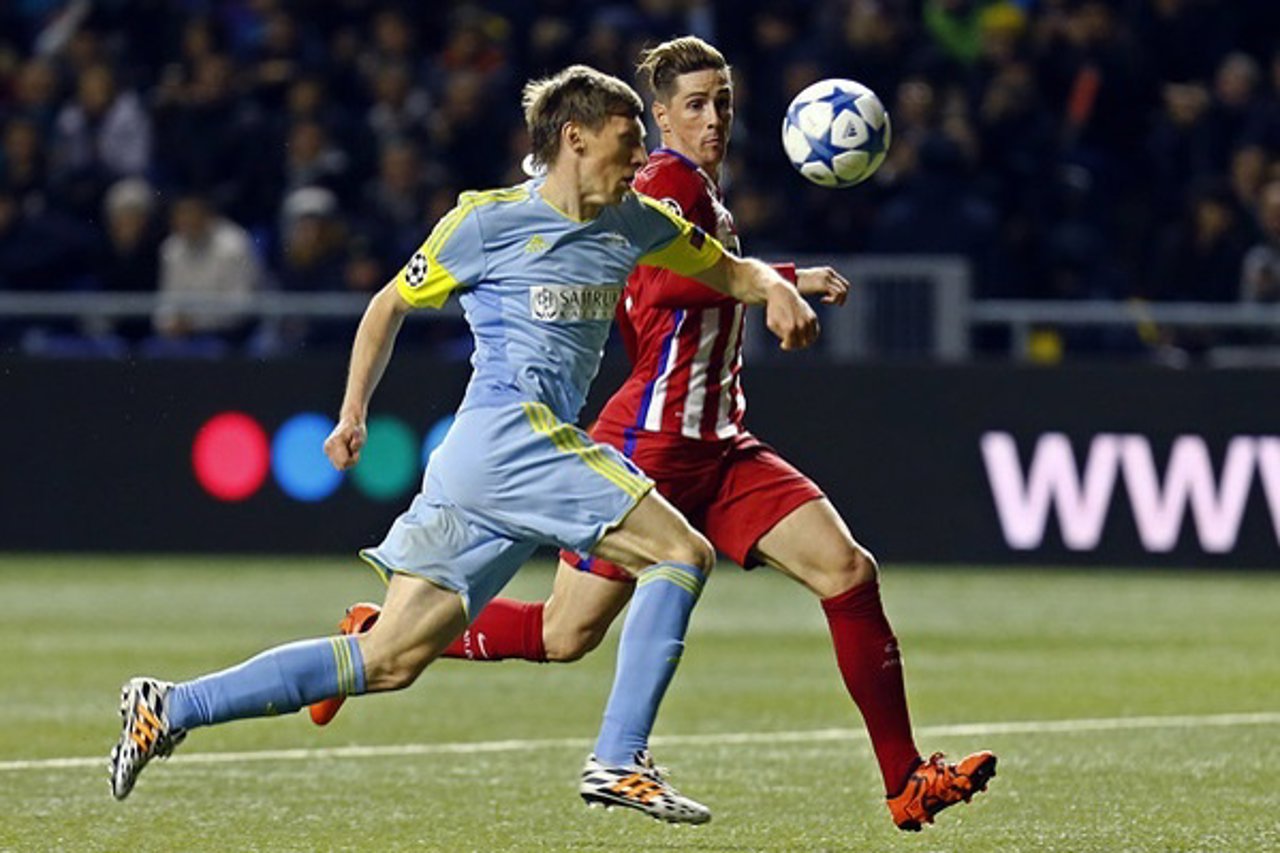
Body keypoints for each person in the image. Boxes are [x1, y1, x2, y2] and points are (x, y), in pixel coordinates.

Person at [312, 36, 997, 832]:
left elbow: (714, 265)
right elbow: (664, 277)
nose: (714, 119)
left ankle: (906, 778)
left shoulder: (700, 188)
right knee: (565, 634)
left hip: (723, 441)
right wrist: (770, 285)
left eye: (725, 103)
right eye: (697, 105)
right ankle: (378, 634)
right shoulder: (661, 181)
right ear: (661, 115)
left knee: (847, 569)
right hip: (650, 440)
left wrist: (777, 276)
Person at [108, 64, 820, 824]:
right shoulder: (486, 224)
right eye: (628, 141)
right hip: (511, 437)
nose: (640, 158)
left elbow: (729, 270)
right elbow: (387, 306)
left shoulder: (635, 220)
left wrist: (782, 286)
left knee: (388, 659)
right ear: (574, 139)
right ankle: (620, 757)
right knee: (683, 554)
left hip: (489, 466)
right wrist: (352, 412)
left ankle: (172, 703)